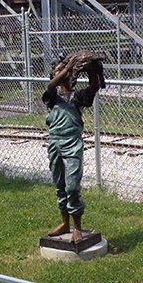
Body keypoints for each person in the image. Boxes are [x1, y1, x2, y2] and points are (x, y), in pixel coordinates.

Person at [42, 50, 105, 243]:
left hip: (72, 145)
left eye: (67, 70)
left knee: (72, 185)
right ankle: (64, 223)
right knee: (59, 185)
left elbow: (94, 87)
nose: (65, 72)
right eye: (60, 70)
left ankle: (77, 226)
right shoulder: (52, 97)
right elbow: (52, 85)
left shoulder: (77, 97)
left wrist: (92, 68)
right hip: (55, 144)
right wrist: (69, 66)